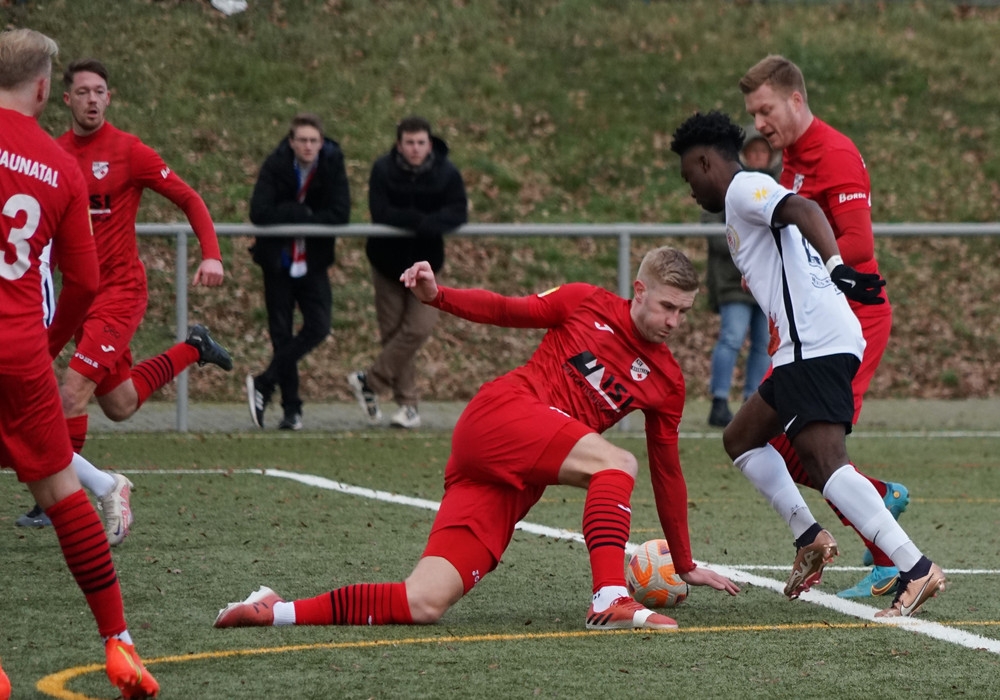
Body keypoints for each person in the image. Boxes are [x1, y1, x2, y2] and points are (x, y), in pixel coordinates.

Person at [216, 247, 740, 631]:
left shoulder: (667, 382)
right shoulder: (586, 302)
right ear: (640, 291)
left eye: (684, 312)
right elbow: (506, 309)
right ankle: (609, 597)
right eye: (667, 306)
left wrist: (685, 563)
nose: (674, 321)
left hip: (515, 474)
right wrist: (437, 296)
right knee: (616, 464)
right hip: (502, 415)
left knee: (423, 602)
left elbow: (669, 472)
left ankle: (275, 610)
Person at [670, 110, 945, 618]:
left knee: (827, 465)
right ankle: (810, 537)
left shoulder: (742, 188)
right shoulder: (741, 201)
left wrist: (837, 266)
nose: (691, 191)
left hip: (813, 342)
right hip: (805, 344)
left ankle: (916, 567)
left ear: (706, 162)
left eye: (690, 176)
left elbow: (803, 208)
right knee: (741, 438)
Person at [14, 57, 233, 544]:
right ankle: (195, 347)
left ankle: (54, 498)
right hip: (78, 297)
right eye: (83, 92)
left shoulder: (128, 151)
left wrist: (211, 254)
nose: (92, 99)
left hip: (119, 294)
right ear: (65, 99)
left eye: (100, 91)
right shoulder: (52, 155)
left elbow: (189, 197)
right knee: (120, 403)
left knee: (70, 393)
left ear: (109, 98)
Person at [0, 28, 158, 698]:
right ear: (45, 88)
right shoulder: (59, 165)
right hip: (20, 351)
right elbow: (86, 282)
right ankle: (120, 644)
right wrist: (47, 341)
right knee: (64, 495)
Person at [740, 55, 909, 599]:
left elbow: (857, 244)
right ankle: (878, 496)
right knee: (777, 444)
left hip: (851, 322)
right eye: (753, 113)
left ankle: (891, 563)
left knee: (821, 449)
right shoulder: (792, 159)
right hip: (809, 325)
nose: (759, 123)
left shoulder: (833, 153)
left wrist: (793, 264)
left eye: (766, 110)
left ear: (795, 99)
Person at [347, 116, 468, 429]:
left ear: (430, 144)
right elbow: (381, 211)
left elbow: (458, 211)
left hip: (427, 266)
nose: (415, 148)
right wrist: (418, 221)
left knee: (418, 328)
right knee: (392, 333)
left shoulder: (446, 172)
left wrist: (430, 225)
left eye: (420, 143)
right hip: (387, 264)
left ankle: (370, 381)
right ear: (399, 145)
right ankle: (408, 406)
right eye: (409, 143)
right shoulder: (383, 169)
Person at [246, 113, 350, 430]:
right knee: (281, 334)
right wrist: (297, 212)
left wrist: (307, 219)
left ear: (322, 143)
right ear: (291, 142)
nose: (308, 145)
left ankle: (264, 382)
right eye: (302, 140)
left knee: (319, 326)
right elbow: (259, 212)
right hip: (277, 261)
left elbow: (340, 213)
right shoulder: (276, 164)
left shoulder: (331, 165)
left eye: (313, 140)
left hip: (313, 261)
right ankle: (292, 410)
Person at [703, 126, 776, 427]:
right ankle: (719, 401)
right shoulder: (726, 184)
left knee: (764, 343)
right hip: (734, 282)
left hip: (765, 281)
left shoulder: (777, 186)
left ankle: (752, 403)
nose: (758, 157)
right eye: (753, 151)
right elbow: (714, 233)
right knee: (732, 337)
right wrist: (748, 249)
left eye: (763, 152)